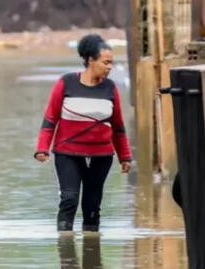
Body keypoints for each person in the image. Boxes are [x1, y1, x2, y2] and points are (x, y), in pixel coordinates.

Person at [34, 34, 133, 233]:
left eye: (112, 63)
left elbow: (118, 126)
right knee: (69, 199)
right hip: (68, 153)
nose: (110, 67)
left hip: (101, 155)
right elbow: (50, 119)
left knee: (92, 205)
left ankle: (91, 247)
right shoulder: (66, 83)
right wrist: (42, 148)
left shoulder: (110, 88)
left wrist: (125, 156)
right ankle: (65, 247)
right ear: (90, 60)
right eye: (105, 62)